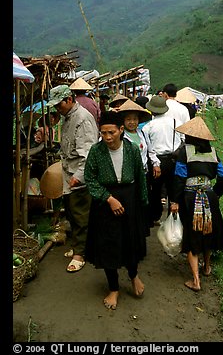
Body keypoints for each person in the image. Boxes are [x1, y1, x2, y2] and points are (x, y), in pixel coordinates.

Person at [84, 111, 149, 311]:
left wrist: (142, 204)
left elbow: (140, 178)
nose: (108, 138)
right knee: (108, 245)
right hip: (105, 200)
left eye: (111, 132)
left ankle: (133, 275)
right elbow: (90, 179)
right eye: (103, 133)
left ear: (121, 130)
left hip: (129, 197)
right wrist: (109, 199)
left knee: (130, 241)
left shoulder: (132, 150)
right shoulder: (96, 151)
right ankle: (113, 288)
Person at [170, 116, 223, 292]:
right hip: (209, 195)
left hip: (190, 196)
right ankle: (207, 268)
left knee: (192, 233)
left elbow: (180, 179)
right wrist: (215, 193)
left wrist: (175, 200)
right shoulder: (213, 152)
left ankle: (195, 280)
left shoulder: (184, 153)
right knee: (207, 230)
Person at [46, 84, 99, 273]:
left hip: (79, 174)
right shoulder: (69, 117)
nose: (57, 110)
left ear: (69, 100)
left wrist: (79, 176)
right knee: (72, 213)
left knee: (80, 214)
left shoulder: (82, 118)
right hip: (70, 172)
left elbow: (89, 153)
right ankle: (78, 246)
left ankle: (81, 253)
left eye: (59, 105)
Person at [118, 99, 161, 228]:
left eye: (135, 119)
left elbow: (151, 150)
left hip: (144, 173)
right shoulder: (121, 136)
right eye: (129, 119)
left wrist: (156, 164)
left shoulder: (142, 133)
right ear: (123, 121)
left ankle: (142, 226)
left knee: (143, 199)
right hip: (129, 175)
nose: (132, 122)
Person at [142, 95, 184, 225]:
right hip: (174, 159)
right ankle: (173, 215)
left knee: (155, 190)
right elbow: (183, 140)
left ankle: (155, 216)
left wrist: (155, 164)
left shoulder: (148, 127)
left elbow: (149, 148)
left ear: (152, 110)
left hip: (156, 161)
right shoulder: (177, 123)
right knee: (174, 188)